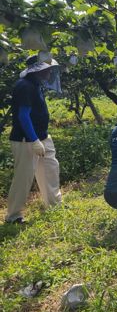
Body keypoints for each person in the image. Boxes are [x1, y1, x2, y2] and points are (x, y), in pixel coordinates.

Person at [5, 55, 61, 224]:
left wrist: (41, 138)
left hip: (42, 136)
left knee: (50, 170)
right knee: (24, 177)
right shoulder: (25, 86)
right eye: (47, 69)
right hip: (26, 140)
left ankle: (54, 205)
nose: (50, 72)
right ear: (38, 70)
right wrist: (34, 140)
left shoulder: (36, 85)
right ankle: (13, 215)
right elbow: (23, 115)